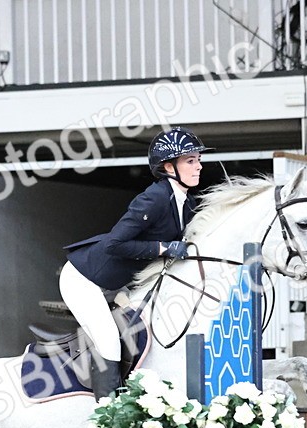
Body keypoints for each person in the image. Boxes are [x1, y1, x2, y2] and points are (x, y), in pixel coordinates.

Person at [61, 127, 210, 398]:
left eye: (198, 159)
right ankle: (107, 414)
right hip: (84, 279)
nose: (199, 166)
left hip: (119, 284)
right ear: (168, 166)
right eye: (191, 161)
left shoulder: (186, 204)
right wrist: (165, 247)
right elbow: (114, 244)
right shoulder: (153, 198)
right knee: (108, 341)